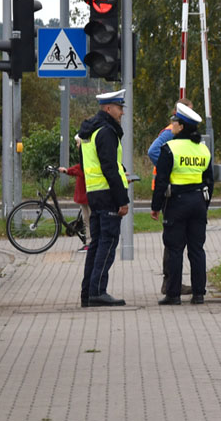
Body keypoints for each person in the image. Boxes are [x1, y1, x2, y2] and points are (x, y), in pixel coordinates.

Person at [151, 103, 214, 305]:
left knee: (175, 248)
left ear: (181, 126)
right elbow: (209, 181)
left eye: (175, 122)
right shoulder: (203, 149)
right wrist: (205, 205)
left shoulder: (170, 148)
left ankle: (173, 294)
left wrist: (155, 206)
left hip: (177, 203)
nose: (172, 125)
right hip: (198, 203)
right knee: (197, 249)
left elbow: (161, 180)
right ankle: (198, 294)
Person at [78, 89, 131, 308]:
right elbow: (109, 167)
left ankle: (88, 293)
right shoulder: (107, 132)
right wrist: (122, 199)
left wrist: (120, 170)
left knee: (97, 244)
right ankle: (98, 291)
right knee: (107, 244)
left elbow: (90, 165)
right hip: (108, 195)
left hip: (94, 193)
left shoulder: (89, 132)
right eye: (120, 108)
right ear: (108, 109)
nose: (122, 113)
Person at [147, 97, 194, 296]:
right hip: (169, 191)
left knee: (177, 241)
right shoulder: (169, 133)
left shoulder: (178, 132)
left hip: (175, 190)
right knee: (174, 242)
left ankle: (174, 282)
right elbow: (152, 151)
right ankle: (170, 283)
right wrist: (171, 167)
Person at [58, 135, 90, 252]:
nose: (77, 145)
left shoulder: (87, 157)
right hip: (85, 194)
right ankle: (89, 241)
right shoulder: (85, 156)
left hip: (87, 194)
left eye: (78, 143)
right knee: (86, 219)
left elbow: (81, 170)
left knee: (88, 220)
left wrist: (67, 170)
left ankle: (90, 243)